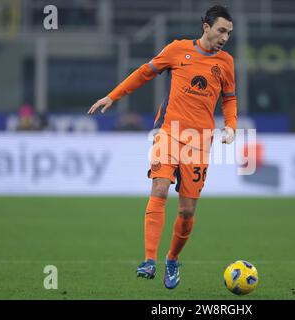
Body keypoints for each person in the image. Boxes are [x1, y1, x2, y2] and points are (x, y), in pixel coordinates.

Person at [88, 5, 237, 289]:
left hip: (200, 142)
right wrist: (113, 96)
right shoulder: (178, 50)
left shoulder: (226, 62)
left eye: (228, 33)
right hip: (169, 133)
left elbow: (229, 98)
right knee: (159, 187)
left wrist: (231, 126)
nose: (224, 37)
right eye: (221, 30)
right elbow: (145, 73)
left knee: (186, 211)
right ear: (206, 27)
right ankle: (149, 259)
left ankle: (172, 259)